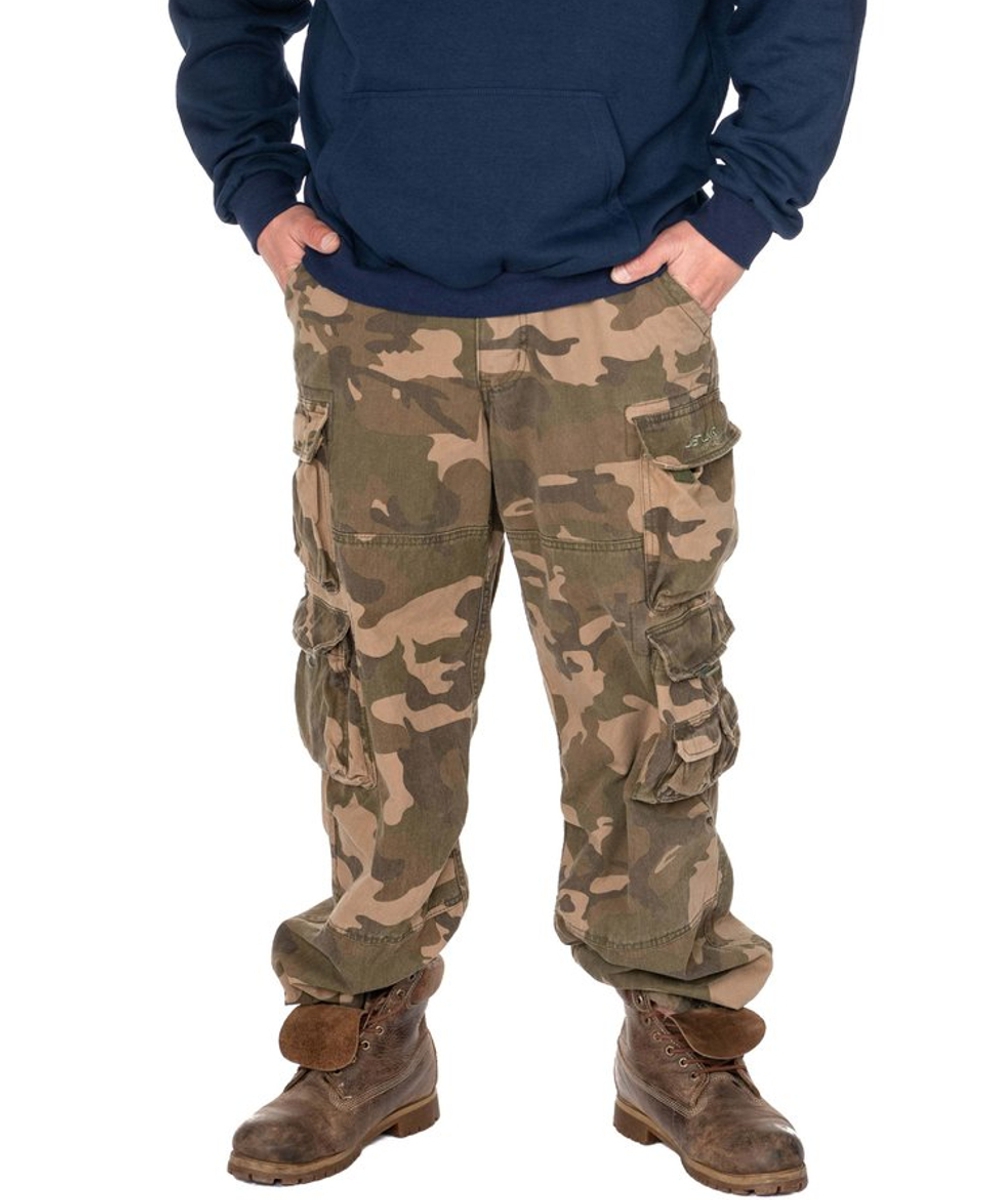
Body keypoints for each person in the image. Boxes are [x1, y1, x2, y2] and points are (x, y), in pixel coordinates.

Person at [168, 2, 865, 1193]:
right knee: (370, 686)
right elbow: (224, 12)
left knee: (649, 681)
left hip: (619, 313)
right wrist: (254, 183)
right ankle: (367, 1020)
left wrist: (746, 208)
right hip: (375, 314)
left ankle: (678, 1025)